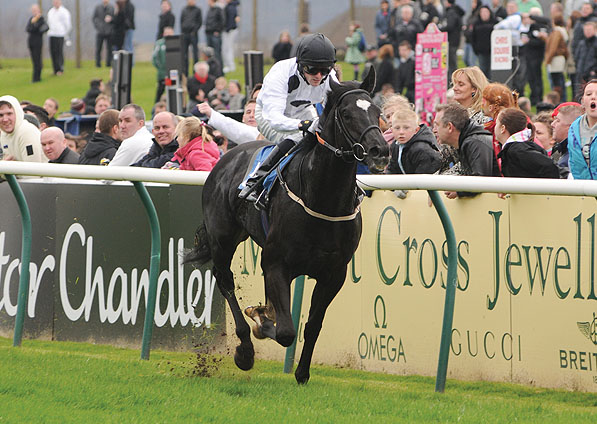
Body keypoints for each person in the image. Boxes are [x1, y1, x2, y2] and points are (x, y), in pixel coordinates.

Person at [239, 33, 338, 206]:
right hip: (268, 115)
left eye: (325, 70)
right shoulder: (280, 73)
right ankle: (256, 181)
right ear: (300, 65)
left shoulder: (328, 76)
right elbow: (276, 119)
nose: (319, 76)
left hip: (303, 109)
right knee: (299, 137)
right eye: (312, 70)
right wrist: (303, 125)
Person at [432, 103, 500, 198]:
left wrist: (459, 191)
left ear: (449, 127)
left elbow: (481, 181)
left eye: (436, 125)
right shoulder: (469, 140)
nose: (434, 130)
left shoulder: (475, 143)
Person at [495, 108, 559, 178]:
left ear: (502, 128)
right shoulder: (517, 148)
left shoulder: (517, 150)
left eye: (496, 123)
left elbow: (549, 166)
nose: (495, 127)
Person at [387, 107, 441, 174]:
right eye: (397, 128)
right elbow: (392, 169)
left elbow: (424, 178)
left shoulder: (422, 149)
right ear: (392, 130)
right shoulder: (395, 146)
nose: (401, 132)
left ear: (416, 130)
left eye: (406, 128)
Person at [0, 95, 44, 163]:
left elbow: (32, 169)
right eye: (1, 115)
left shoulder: (27, 132)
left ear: (17, 113)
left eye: (9, 114)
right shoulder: (4, 134)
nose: (5, 119)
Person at [568, 80, 597, 179]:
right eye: (588, 94)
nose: (593, 97)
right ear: (583, 102)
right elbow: (573, 163)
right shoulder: (574, 128)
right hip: (582, 190)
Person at [551, 102, 582, 178]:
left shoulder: (574, 157)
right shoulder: (560, 151)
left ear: (571, 127)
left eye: (557, 121)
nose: (552, 124)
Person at [544, 13, 569, 103]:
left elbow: (553, 47)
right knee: (560, 80)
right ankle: (562, 99)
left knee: (557, 82)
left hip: (556, 60)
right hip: (560, 59)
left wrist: (548, 60)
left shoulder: (557, 32)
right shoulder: (562, 31)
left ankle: (559, 101)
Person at [439, 0, 465, 81]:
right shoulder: (457, 11)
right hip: (455, 40)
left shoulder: (451, 12)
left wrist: (440, 28)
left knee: (452, 64)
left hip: (451, 41)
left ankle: (453, 81)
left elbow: (449, 26)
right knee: (452, 63)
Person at [471, 6, 497, 79]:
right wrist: (475, 49)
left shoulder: (495, 22)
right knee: (483, 70)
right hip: (481, 51)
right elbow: (473, 37)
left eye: (486, 12)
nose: (484, 14)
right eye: (482, 12)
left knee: (492, 71)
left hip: (493, 52)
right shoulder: (476, 23)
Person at [47, 0, 71, 76]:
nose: (56, 3)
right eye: (54, 2)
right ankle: (55, 69)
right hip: (52, 34)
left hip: (60, 34)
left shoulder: (64, 12)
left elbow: (68, 24)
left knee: (59, 52)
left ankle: (60, 69)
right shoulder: (50, 11)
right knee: (53, 52)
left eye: (57, 2)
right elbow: (49, 22)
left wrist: (65, 33)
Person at [26, 4, 49, 83]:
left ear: (39, 10)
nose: (34, 12)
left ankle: (37, 78)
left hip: (37, 42)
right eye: (33, 10)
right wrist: (33, 25)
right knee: (34, 60)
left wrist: (34, 24)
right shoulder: (31, 19)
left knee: (37, 60)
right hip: (31, 42)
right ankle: (35, 77)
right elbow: (28, 29)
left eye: (35, 10)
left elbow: (41, 29)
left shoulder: (41, 19)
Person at [180, 0, 202, 77]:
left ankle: (195, 72)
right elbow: (181, 21)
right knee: (184, 55)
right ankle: (185, 73)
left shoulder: (198, 10)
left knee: (195, 55)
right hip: (185, 34)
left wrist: (194, 31)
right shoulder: (184, 10)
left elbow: (199, 22)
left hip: (193, 34)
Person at [152, 26, 174, 103]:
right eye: (166, 33)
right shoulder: (159, 43)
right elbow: (154, 58)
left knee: (172, 91)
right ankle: (155, 107)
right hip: (162, 74)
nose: (168, 35)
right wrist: (160, 68)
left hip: (172, 74)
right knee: (160, 91)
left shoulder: (175, 43)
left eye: (170, 33)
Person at [93, 0, 114, 68]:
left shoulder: (111, 8)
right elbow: (94, 18)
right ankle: (98, 64)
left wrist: (111, 20)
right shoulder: (98, 7)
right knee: (98, 48)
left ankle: (108, 63)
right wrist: (98, 26)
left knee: (109, 48)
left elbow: (115, 18)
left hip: (109, 32)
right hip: (100, 31)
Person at [222, 0, 240, 74]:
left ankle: (230, 65)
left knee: (228, 48)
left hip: (230, 30)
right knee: (227, 48)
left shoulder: (231, 7)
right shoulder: (230, 6)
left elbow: (231, 20)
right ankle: (228, 65)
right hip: (229, 30)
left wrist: (227, 29)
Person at [205, 0, 224, 65]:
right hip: (208, 34)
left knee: (217, 53)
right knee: (209, 54)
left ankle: (219, 71)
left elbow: (222, 21)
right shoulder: (209, 10)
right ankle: (212, 70)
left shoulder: (218, 9)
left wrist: (218, 31)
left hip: (215, 35)